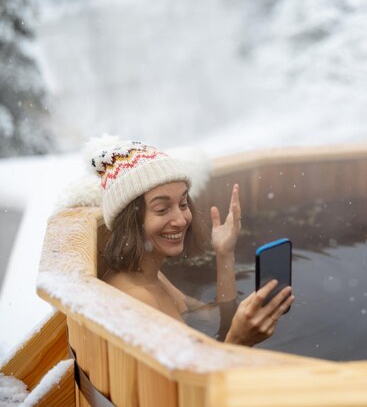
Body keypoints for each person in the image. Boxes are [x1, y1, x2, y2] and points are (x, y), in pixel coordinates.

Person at [90, 138, 293, 346]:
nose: (181, 219)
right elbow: (182, 379)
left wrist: (224, 253)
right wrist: (240, 340)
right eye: (162, 209)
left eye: (183, 203)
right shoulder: (137, 300)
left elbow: (216, 317)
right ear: (130, 221)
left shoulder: (151, 276)